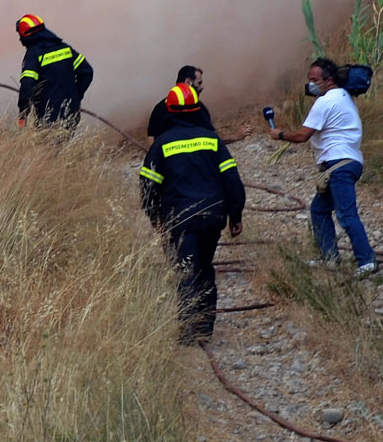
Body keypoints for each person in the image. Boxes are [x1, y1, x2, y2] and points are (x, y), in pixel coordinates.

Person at [140, 83, 245, 344]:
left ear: (170, 112)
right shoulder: (212, 140)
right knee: (205, 268)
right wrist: (236, 215)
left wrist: (156, 219)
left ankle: (187, 332)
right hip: (212, 218)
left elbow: (148, 186)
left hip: (179, 219)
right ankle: (204, 329)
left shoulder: (162, 144)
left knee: (185, 270)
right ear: (198, 109)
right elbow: (232, 180)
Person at [269, 57, 377, 276]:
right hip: (346, 163)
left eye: (314, 80)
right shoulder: (345, 96)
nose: (310, 84)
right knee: (319, 209)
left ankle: (367, 260)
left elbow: (302, 135)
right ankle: (329, 257)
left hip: (339, 165)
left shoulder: (326, 101)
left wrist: (279, 134)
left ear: (328, 81)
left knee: (346, 215)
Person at [15, 13, 93, 127]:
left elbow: (27, 84)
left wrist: (23, 113)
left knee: (46, 144)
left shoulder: (34, 54)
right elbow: (87, 72)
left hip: (48, 115)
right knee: (65, 144)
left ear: (26, 35)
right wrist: (75, 97)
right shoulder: (64, 48)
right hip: (71, 113)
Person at [147, 65, 252, 145]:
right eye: (199, 83)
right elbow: (212, 137)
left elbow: (151, 141)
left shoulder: (159, 108)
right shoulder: (198, 108)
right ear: (188, 82)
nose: (202, 87)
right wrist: (234, 136)